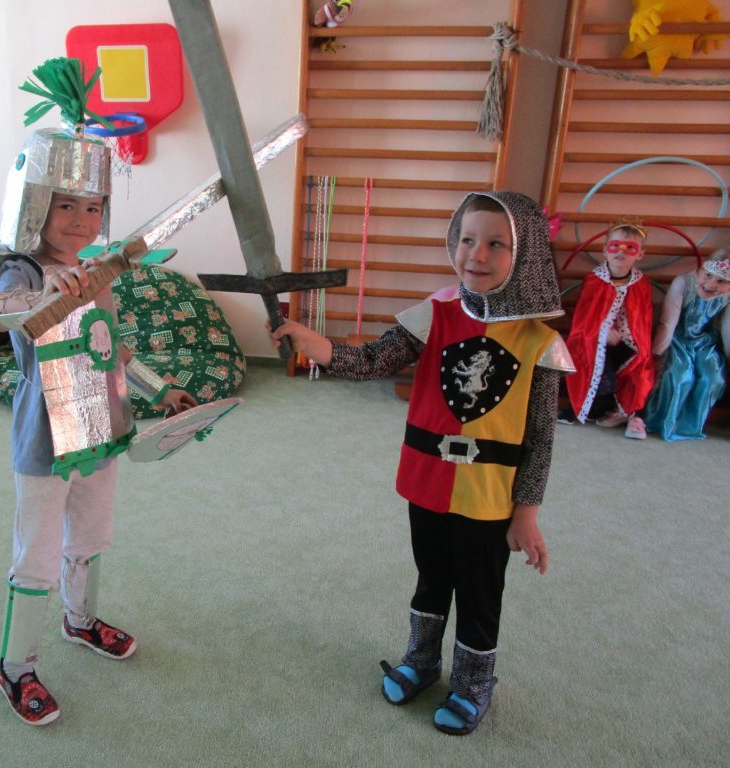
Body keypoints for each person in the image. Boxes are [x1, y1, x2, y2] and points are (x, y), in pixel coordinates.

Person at [271, 191, 574, 736]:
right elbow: (371, 361)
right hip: (428, 483)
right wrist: (313, 344)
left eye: (496, 244)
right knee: (431, 577)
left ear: (525, 253)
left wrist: (526, 513)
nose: (476, 254)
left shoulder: (540, 343)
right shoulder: (432, 317)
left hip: (489, 498)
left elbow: (540, 439)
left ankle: (474, 682)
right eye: (467, 239)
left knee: (480, 593)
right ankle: (422, 659)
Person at [0, 124, 196, 726]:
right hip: (46, 437)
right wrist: (44, 293)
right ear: (37, 204)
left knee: (91, 536)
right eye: (66, 205)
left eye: (93, 207)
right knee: (37, 554)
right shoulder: (22, 269)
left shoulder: (96, 271)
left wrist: (161, 389)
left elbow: (112, 348)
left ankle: (79, 621)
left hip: (100, 425)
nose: (82, 219)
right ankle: (16, 667)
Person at [558, 221, 655, 439]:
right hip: (593, 341)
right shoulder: (594, 280)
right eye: (615, 246)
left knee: (641, 366)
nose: (621, 251)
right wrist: (602, 331)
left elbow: (643, 320)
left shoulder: (642, 284)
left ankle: (632, 414)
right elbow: (584, 319)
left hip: (628, 343)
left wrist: (635, 343)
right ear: (605, 250)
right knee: (601, 378)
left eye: (630, 247)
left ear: (640, 254)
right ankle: (587, 407)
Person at [642, 251, 730, 440]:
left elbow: (727, 327)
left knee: (713, 377)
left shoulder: (727, 295)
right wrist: (657, 353)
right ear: (700, 270)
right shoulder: (683, 283)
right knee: (681, 375)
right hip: (678, 338)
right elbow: (668, 322)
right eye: (707, 275)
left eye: (721, 281)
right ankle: (661, 421)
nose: (711, 284)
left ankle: (688, 426)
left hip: (705, 341)